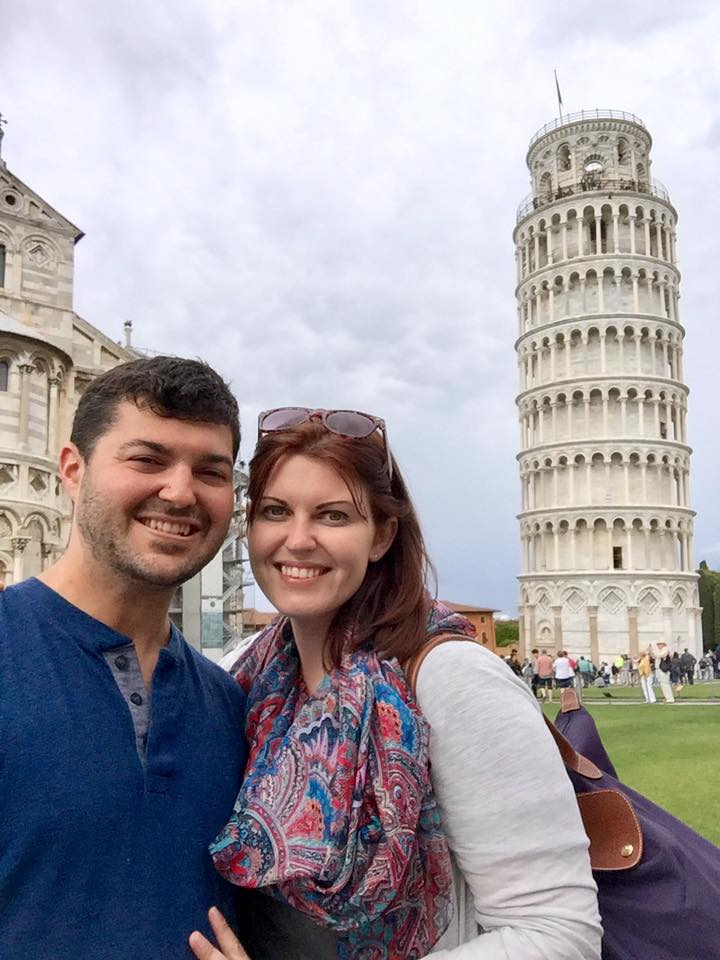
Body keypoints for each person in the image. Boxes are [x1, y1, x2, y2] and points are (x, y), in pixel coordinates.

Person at [190, 407, 601, 960]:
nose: (298, 539)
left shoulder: (452, 680)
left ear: (382, 535)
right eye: (275, 511)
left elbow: (559, 934)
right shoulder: (246, 674)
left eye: (334, 516)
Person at [0, 357, 248, 960]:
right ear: (73, 470)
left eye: (210, 472)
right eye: (147, 460)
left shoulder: (229, 703)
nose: (180, 492)